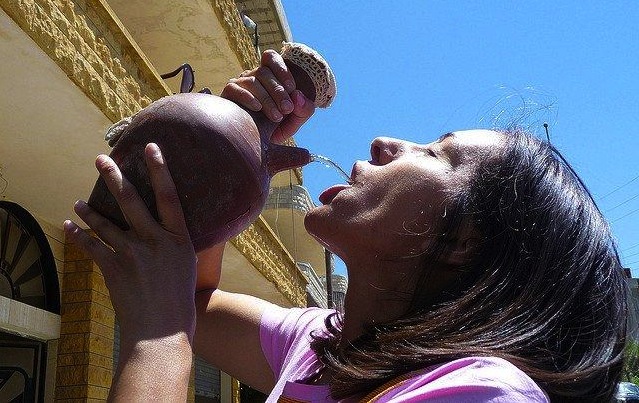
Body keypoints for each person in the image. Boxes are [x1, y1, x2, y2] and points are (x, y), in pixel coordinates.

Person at [64, 50, 627, 402]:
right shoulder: (321, 347)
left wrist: (157, 342)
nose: (384, 143)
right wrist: (233, 156)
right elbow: (192, 302)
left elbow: (174, 317)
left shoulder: (480, 392)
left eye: (436, 153)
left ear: (463, 240)